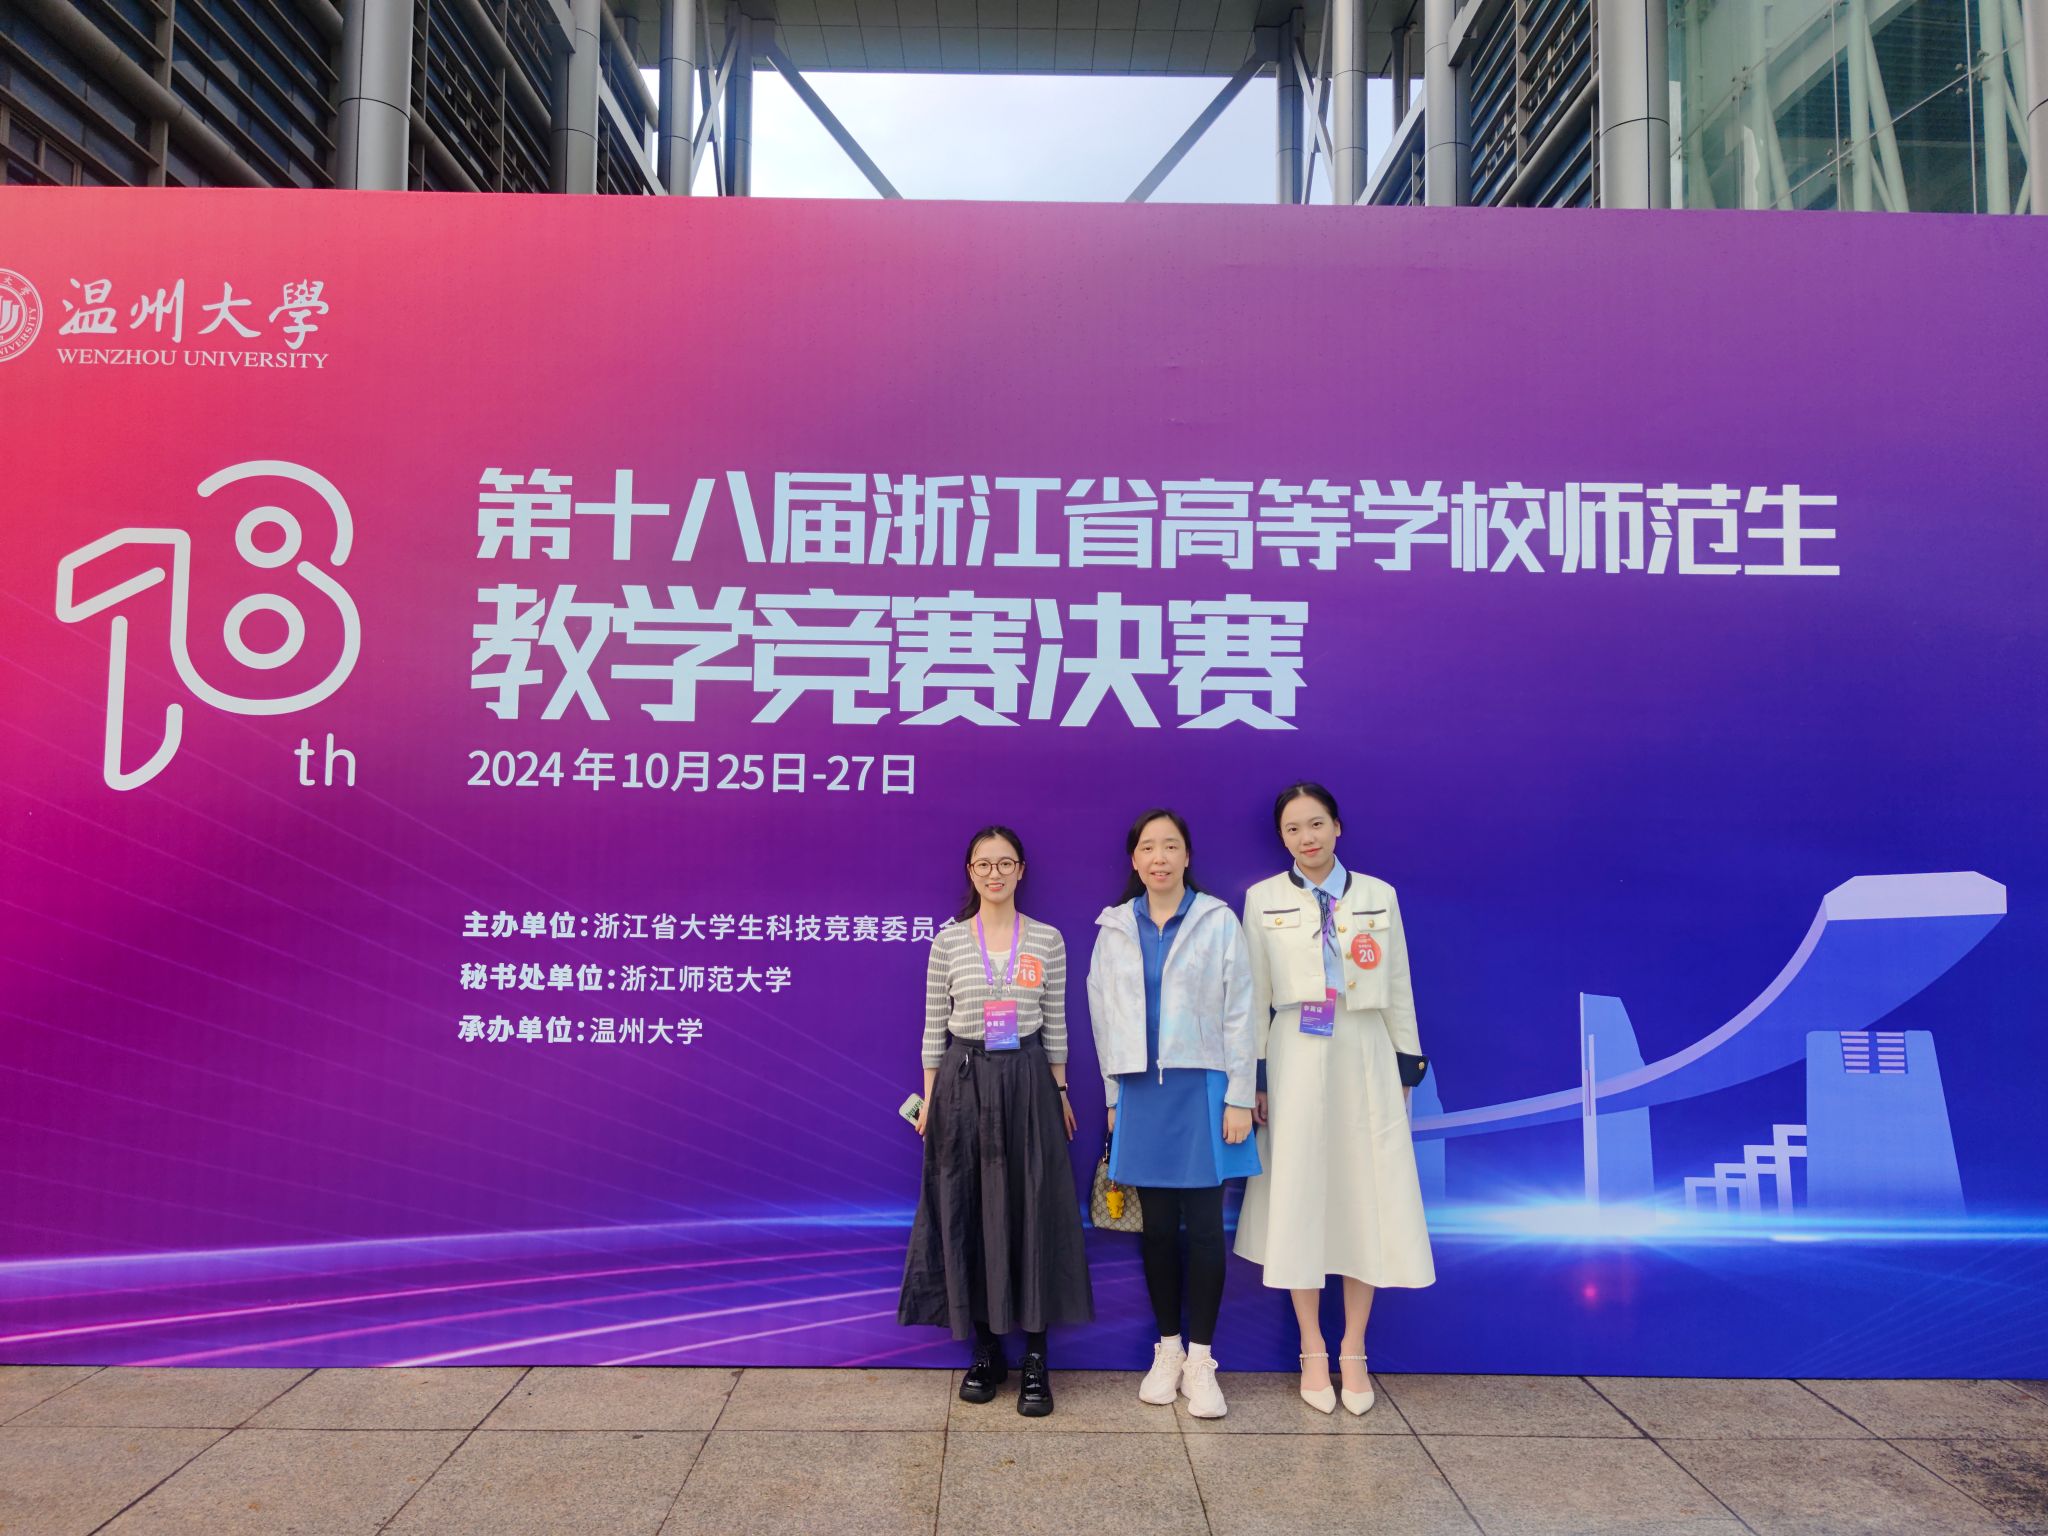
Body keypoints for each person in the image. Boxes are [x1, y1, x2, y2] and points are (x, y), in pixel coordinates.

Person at [1234, 781, 1435, 1416]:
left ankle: (1354, 1347)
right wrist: (1254, 1077)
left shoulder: (1378, 895)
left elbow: (1397, 983)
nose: (1307, 838)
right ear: (1282, 838)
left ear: (1338, 827)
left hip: (1363, 1047)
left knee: (1362, 1192)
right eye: (1293, 829)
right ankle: (1312, 1346)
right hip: (1294, 1048)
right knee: (1298, 1194)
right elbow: (1251, 997)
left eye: (1316, 824)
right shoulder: (1262, 899)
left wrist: (1406, 1064)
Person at [899, 825, 1093, 1416]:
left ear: (1021, 870)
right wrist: (930, 1100)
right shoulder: (949, 941)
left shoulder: (1048, 939)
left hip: (1029, 1080)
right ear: (971, 872)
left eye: (1005, 863)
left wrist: (1060, 1090)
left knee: (1032, 1208)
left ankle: (1036, 1356)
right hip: (963, 1083)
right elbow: (933, 1027)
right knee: (968, 1209)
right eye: (984, 864)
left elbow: (1056, 1021)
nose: (995, 874)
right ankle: (986, 1351)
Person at [1086, 808, 1258, 1419]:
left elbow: (1241, 1008)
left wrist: (1240, 1094)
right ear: (1134, 860)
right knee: (1157, 1229)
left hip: (1204, 1086)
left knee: (1205, 1228)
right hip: (1140, 1091)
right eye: (1147, 848)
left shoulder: (1216, 920)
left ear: (1187, 855)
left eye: (1170, 846)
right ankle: (1168, 1350)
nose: (1159, 858)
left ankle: (1202, 1362)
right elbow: (1103, 1018)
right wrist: (1113, 1096)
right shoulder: (1114, 927)